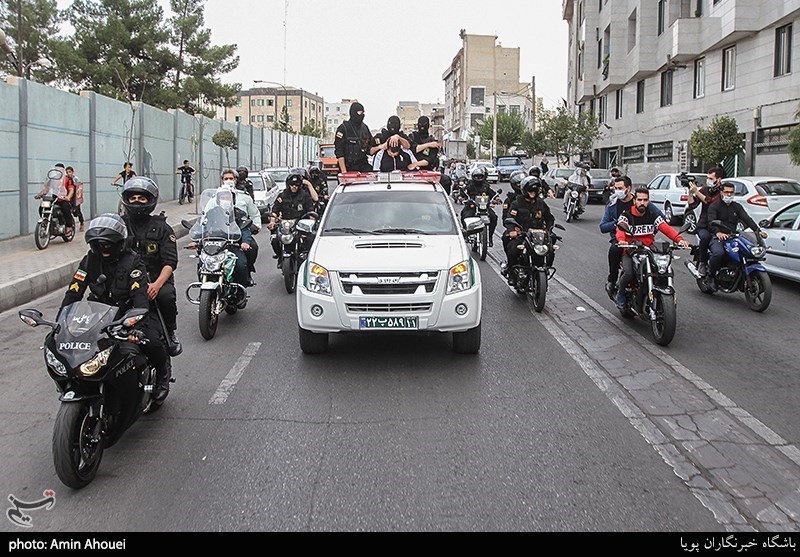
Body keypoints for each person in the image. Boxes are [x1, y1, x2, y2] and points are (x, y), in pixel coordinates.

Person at [61, 214, 172, 402]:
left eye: (108, 244)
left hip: (131, 314)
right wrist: (61, 323)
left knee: (151, 341)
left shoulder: (133, 262)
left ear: (119, 243)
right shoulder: (89, 261)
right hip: (99, 316)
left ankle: (163, 375)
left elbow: (139, 297)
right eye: (98, 245)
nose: (104, 249)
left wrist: (135, 326)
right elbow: (73, 292)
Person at [120, 176, 182, 361]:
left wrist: (156, 285)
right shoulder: (119, 225)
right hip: (126, 281)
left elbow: (170, 262)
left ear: (150, 200)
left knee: (166, 296)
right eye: (133, 198)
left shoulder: (162, 227)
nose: (137, 201)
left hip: (155, 279)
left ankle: (169, 331)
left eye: (142, 198)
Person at [614, 188, 689, 310]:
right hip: (631, 251)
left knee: (664, 271)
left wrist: (679, 240)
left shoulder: (653, 216)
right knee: (628, 273)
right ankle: (621, 294)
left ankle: (665, 297)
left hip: (649, 251)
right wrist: (622, 240)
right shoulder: (626, 216)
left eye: (645, 200)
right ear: (634, 201)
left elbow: (665, 227)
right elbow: (620, 229)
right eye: (639, 200)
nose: (642, 203)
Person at [189, 184, 254, 290]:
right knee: (202, 264)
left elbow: (245, 229)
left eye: (227, 197)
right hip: (214, 247)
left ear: (233, 199)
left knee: (241, 265)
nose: (225, 200)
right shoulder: (211, 213)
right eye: (222, 197)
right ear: (218, 199)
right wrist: (196, 240)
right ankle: (204, 288)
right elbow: (204, 228)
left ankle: (240, 290)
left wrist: (245, 242)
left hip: (232, 247)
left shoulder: (239, 213)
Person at [706, 182, 768, 291]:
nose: (729, 195)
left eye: (731, 192)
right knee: (718, 253)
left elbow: (747, 219)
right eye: (726, 192)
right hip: (716, 236)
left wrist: (758, 231)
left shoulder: (737, 207)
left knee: (743, 251)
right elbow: (711, 221)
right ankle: (710, 276)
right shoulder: (714, 206)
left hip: (732, 236)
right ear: (721, 192)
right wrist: (718, 233)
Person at [502, 176, 555, 281]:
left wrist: (549, 229)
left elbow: (549, 218)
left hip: (537, 237)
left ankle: (546, 268)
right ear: (525, 190)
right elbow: (509, 218)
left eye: (534, 190)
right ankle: (512, 273)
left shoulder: (541, 203)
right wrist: (512, 230)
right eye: (530, 190)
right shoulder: (516, 203)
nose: (532, 193)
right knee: (513, 250)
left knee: (551, 248)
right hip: (522, 235)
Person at [268, 171, 317, 263]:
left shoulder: (305, 195)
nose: (294, 186)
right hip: (285, 224)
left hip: (300, 224)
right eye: (292, 184)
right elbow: (275, 210)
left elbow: (311, 210)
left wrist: (311, 220)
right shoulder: (282, 195)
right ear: (288, 184)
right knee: (274, 239)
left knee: (310, 238)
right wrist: (272, 221)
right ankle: (279, 256)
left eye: (296, 184)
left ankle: (308, 258)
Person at [224, 169, 261, 282]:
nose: (229, 181)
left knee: (252, 248)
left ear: (236, 180)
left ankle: (247, 272)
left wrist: (256, 226)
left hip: (240, 232)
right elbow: (206, 217)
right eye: (226, 179)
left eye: (231, 178)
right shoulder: (214, 197)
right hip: (220, 236)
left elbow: (254, 214)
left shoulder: (244, 196)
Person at [687, 166, 725, 277]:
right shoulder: (704, 189)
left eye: (711, 179)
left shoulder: (723, 191)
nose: (709, 181)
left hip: (719, 225)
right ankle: (702, 262)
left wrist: (697, 192)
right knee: (705, 237)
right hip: (704, 225)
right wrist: (691, 193)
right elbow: (692, 205)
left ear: (719, 179)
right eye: (708, 178)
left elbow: (711, 202)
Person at [461, 166, 498, 246]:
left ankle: (490, 237)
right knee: (464, 215)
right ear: (473, 177)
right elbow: (463, 193)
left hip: (484, 207)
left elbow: (493, 194)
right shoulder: (470, 185)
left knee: (494, 217)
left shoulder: (486, 186)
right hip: (472, 206)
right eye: (476, 176)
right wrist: (463, 197)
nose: (478, 178)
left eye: (480, 176)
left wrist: (496, 199)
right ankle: (466, 234)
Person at [334, 102, 374, 173]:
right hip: (348, 167)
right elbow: (339, 151)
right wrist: (344, 172)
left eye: (363, 113)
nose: (362, 115)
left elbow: (370, 147)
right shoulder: (343, 128)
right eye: (359, 112)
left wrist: (382, 145)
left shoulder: (365, 128)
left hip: (362, 167)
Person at [37, 163, 75, 236]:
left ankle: (68, 226)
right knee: (42, 207)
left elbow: (71, 189)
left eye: (60, 169)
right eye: (56, 169)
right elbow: (46, 189)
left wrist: (68, 197)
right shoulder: (52, 179)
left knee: (65, 208)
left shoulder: (67, 179)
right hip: (54, 199)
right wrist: (40, 195)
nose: (58, 171)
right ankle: (46, 223)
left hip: (63, 199)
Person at [66, 166, 85, 232]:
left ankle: (82, 223)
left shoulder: (76, 179)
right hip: (68, 197)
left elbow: (79, 188)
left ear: (73, 172)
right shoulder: (66, 179)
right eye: (67, 172)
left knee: (77, 212)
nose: (68, 173)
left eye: (69, 172)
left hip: (75, 198)